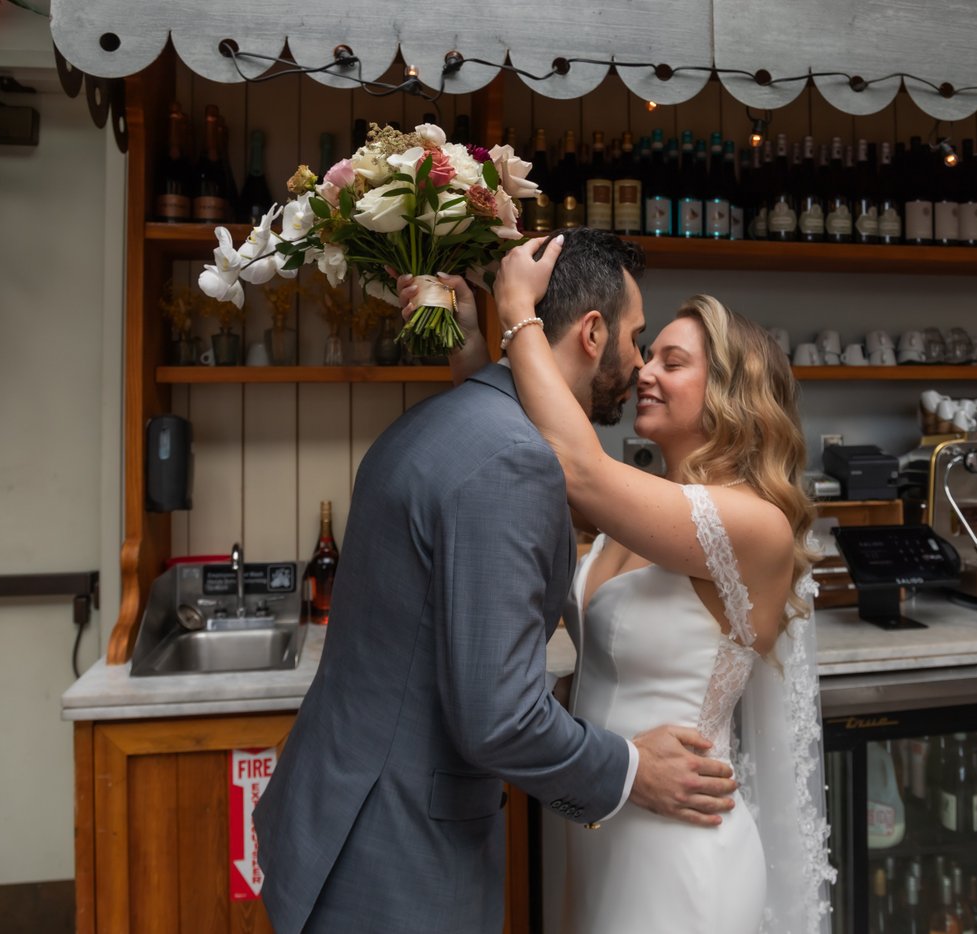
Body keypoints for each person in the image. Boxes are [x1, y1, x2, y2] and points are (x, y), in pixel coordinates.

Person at [252, 227, 738, 934]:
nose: (639, 365)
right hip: (395, 857)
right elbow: (501, 717)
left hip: (340, 813)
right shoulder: (513, 460)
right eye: (638, 339)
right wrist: (631, 769)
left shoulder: (444, 422)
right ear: (593, 334)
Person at [434, 232, 836, 933]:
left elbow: (574, 464)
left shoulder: (755, 524)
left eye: (671, 361)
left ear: (730, 391)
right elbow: (524, 452)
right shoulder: (640, 508)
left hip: (680, 849)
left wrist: (519, 310)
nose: (643, 370)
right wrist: (470, 348)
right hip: (603, 823)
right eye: (647, 352)